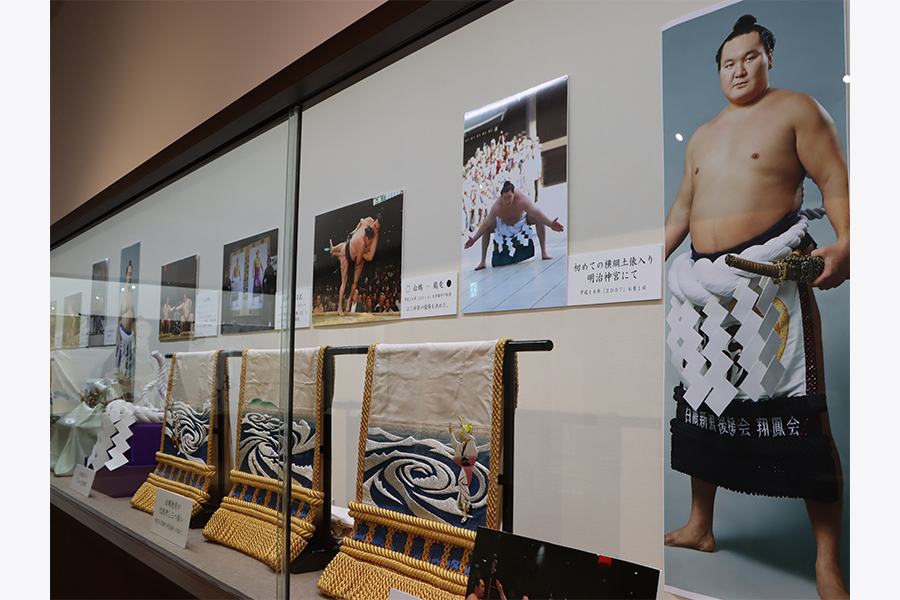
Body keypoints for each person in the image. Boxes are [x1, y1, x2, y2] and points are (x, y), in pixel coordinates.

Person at [662, 15, 848, 599]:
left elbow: (836, 182)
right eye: (727, 62)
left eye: (749, 58)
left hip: (771, 281)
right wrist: (647, 262)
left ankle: (826, 561)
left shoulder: (798, 110)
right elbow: (681, 211)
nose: (738, 70)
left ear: (769, 58)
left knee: (802, 410)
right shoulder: (702, 135)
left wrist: (846, 242)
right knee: (704, 398)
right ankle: (701, 526)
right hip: (701, 289)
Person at [465, 181, 564, 271]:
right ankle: (482, 261)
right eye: (504, 198)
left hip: (521, 220)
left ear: (514, 194)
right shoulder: (497, 207)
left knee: (538, 218)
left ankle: (544, 252)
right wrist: (474, 239)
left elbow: (536, 212)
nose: (507, 201)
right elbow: (485, 224)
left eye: (509, 197)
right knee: (487, 228)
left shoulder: (521, 200)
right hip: (503, 224)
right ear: (501, 197)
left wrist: (551, 224)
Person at [328, 216, 380, 315]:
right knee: (344, 281)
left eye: (377, 228)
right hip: (351, 253)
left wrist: (354, 232)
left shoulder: (366, 225)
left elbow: (370, 257)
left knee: (354, 281)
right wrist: (362, 251)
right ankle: (339, 307)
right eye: (375, 225)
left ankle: (334, 250)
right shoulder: (362, 241)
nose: (375, 228)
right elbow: (357, 262)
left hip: (348, 248)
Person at [116, 262, 136, 400]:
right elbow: (119, 314)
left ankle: (128, 396)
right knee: (122, 365)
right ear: (125, 275)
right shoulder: (123, 292)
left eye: (131, 274)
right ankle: (122, 396)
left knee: (130, 365)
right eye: (128, 274)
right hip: (123, 332)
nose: (130, 276)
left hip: (131, 334)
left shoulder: (131, 292)